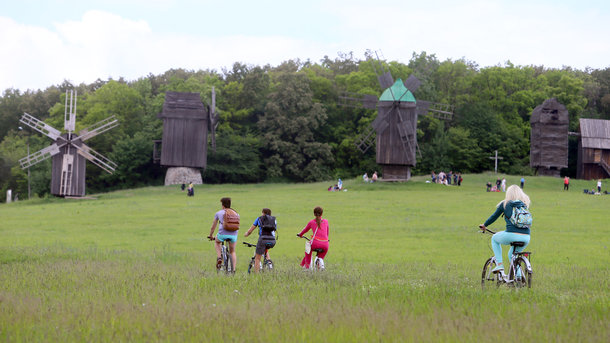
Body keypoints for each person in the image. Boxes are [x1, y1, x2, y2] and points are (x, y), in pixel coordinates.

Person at [479, 185, 531, 275]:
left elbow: (494, 216)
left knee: (494, 238)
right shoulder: (524, 204)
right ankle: (519, 279)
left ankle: (499, 265)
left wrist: (484, 225)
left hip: (511, 235)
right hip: (526, 237)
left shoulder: (505, 203)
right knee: (512, 256)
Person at [208, 197, 239, 272]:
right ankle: (233, 270)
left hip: (222, 234)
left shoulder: (219, 213)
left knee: (217, 242)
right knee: (232, 251)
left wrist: (211, 235)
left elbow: (213, 226)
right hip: (234, 235)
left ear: (223, 205)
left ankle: (219, 257)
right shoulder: (236, 213)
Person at [244, 208, 276, 273]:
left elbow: (251, 230)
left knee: (257, 258)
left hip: (263, 239)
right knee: (265, 250)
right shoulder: (274, 220)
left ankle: (257, 274)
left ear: (263, 213)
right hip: (273, 240)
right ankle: (270, 265)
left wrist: (246, 234)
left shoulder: (259, 218)